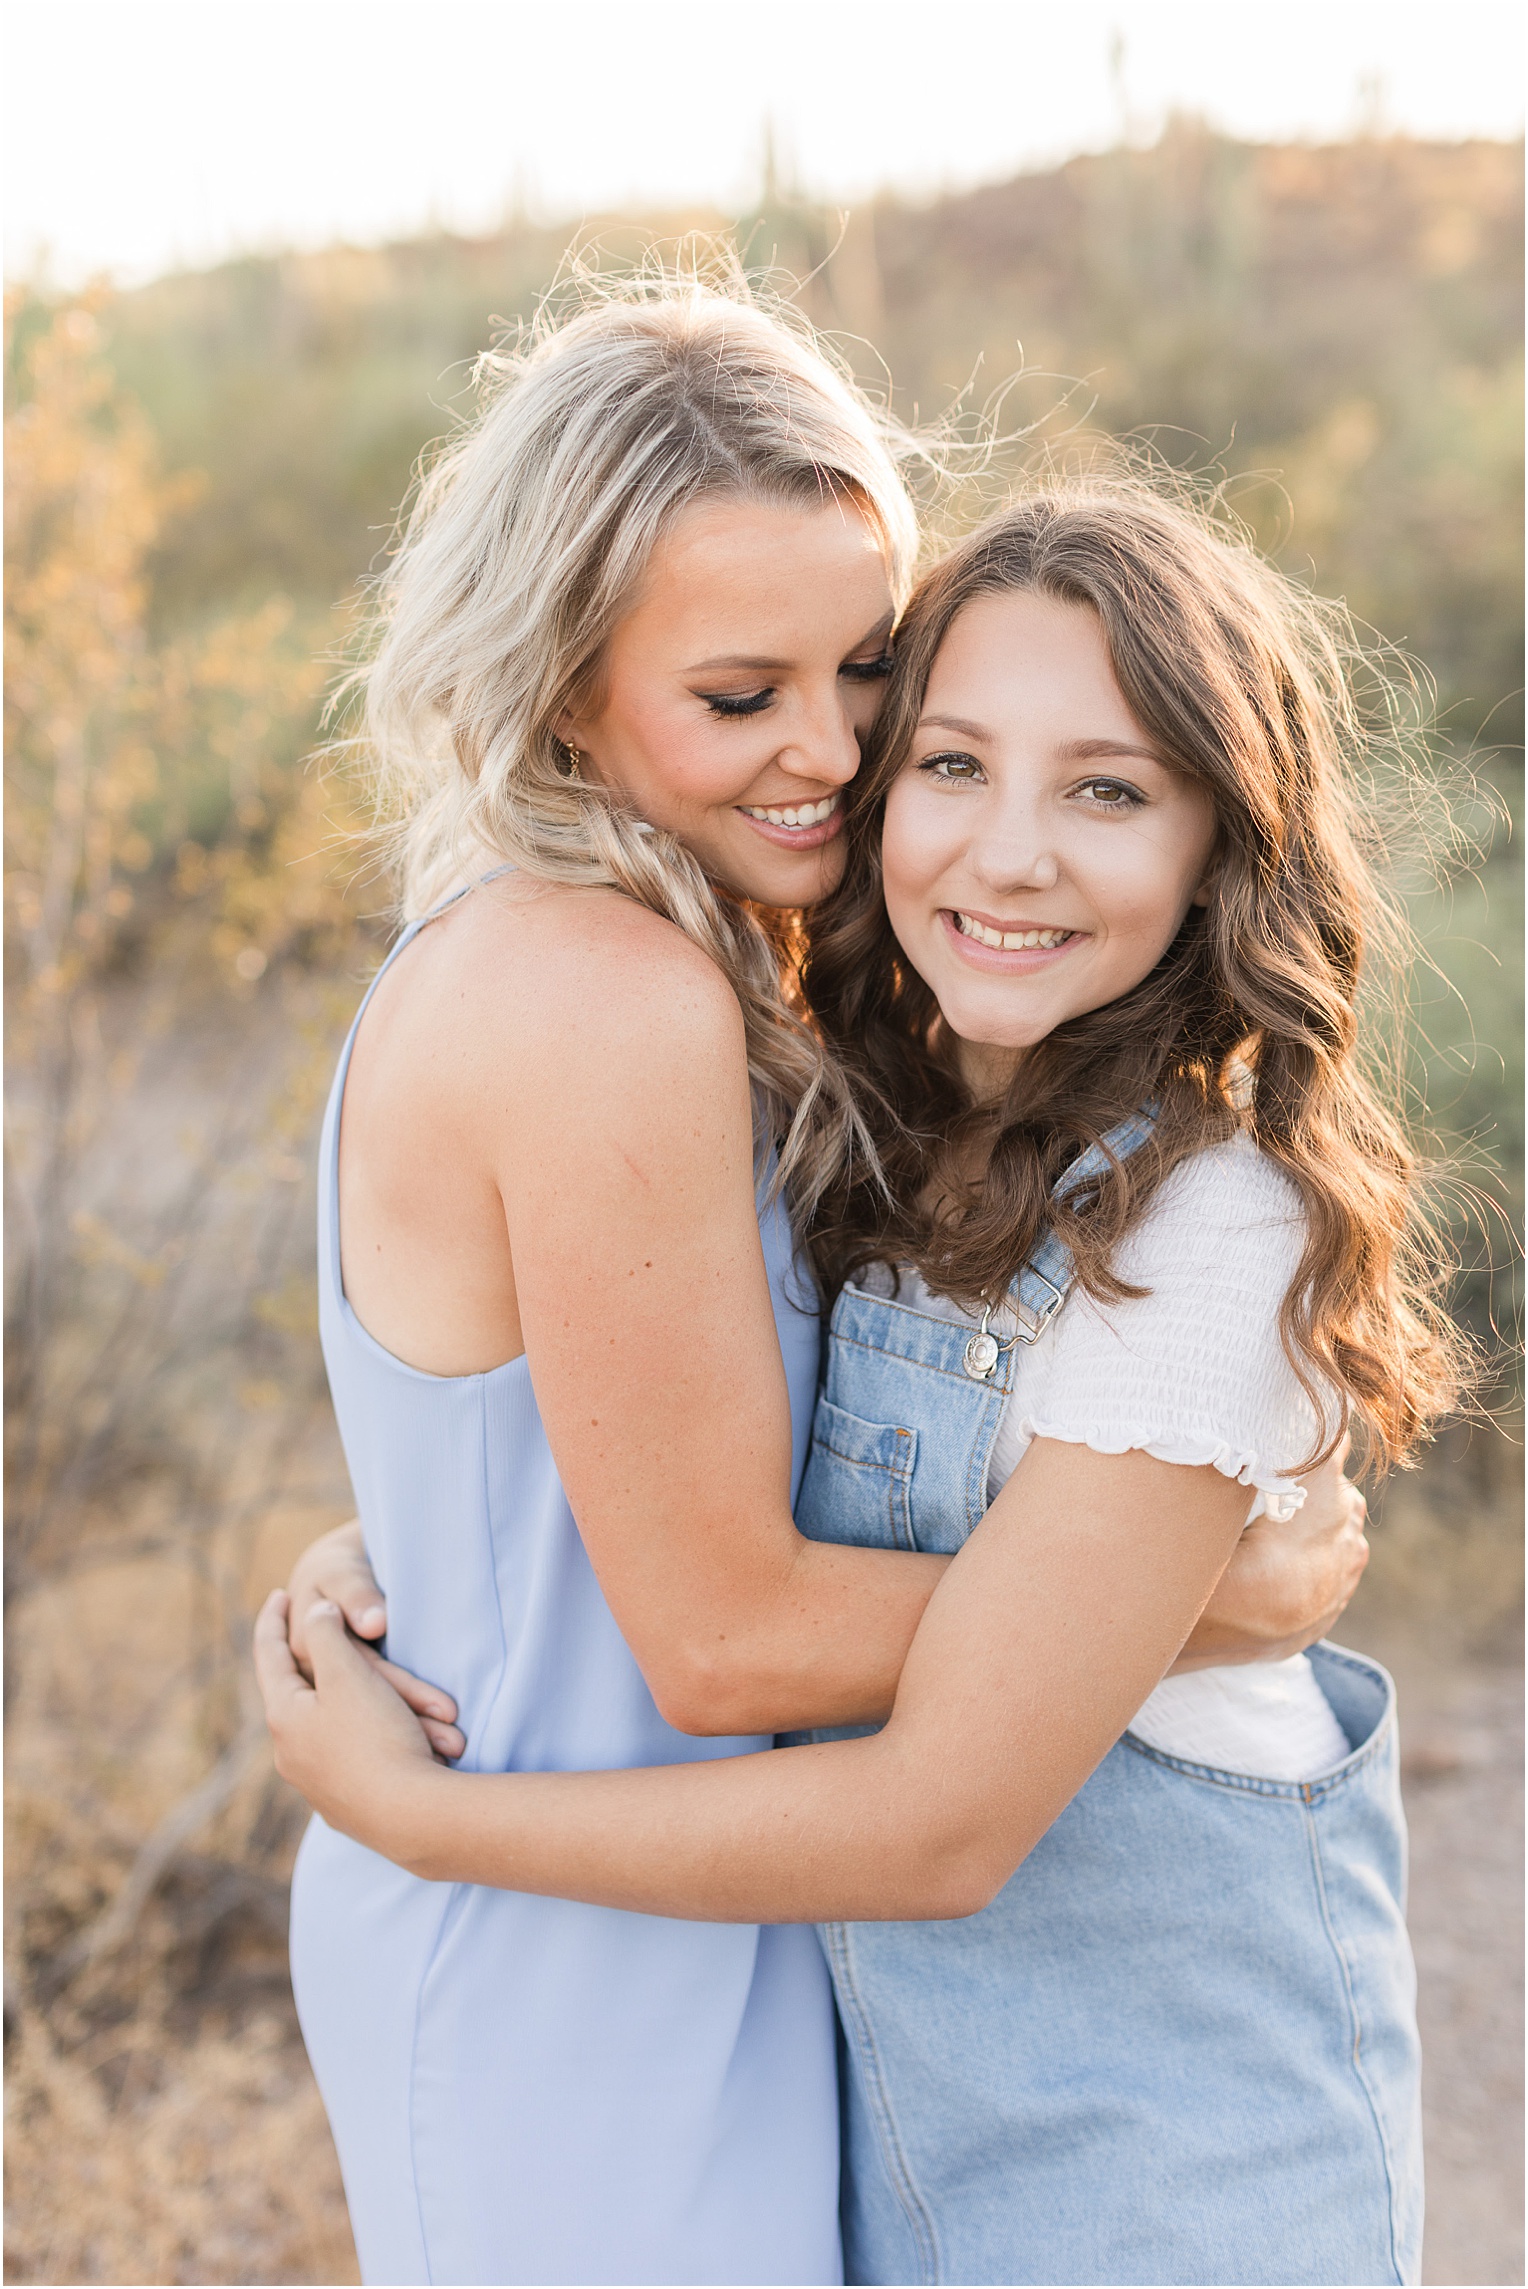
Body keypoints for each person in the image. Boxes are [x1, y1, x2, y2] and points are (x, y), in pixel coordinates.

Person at [260, 478, 1456, 2287]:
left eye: (1110, 790)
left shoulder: (1208, 1229)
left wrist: (423, 1821)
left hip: (1173, 2180)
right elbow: (698, 1453)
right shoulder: (864, 1146)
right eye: (953, 763)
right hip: (889, 2166)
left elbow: (939, 1822)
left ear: (1227, 846)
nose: (1008, 851)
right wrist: (425, 1527)